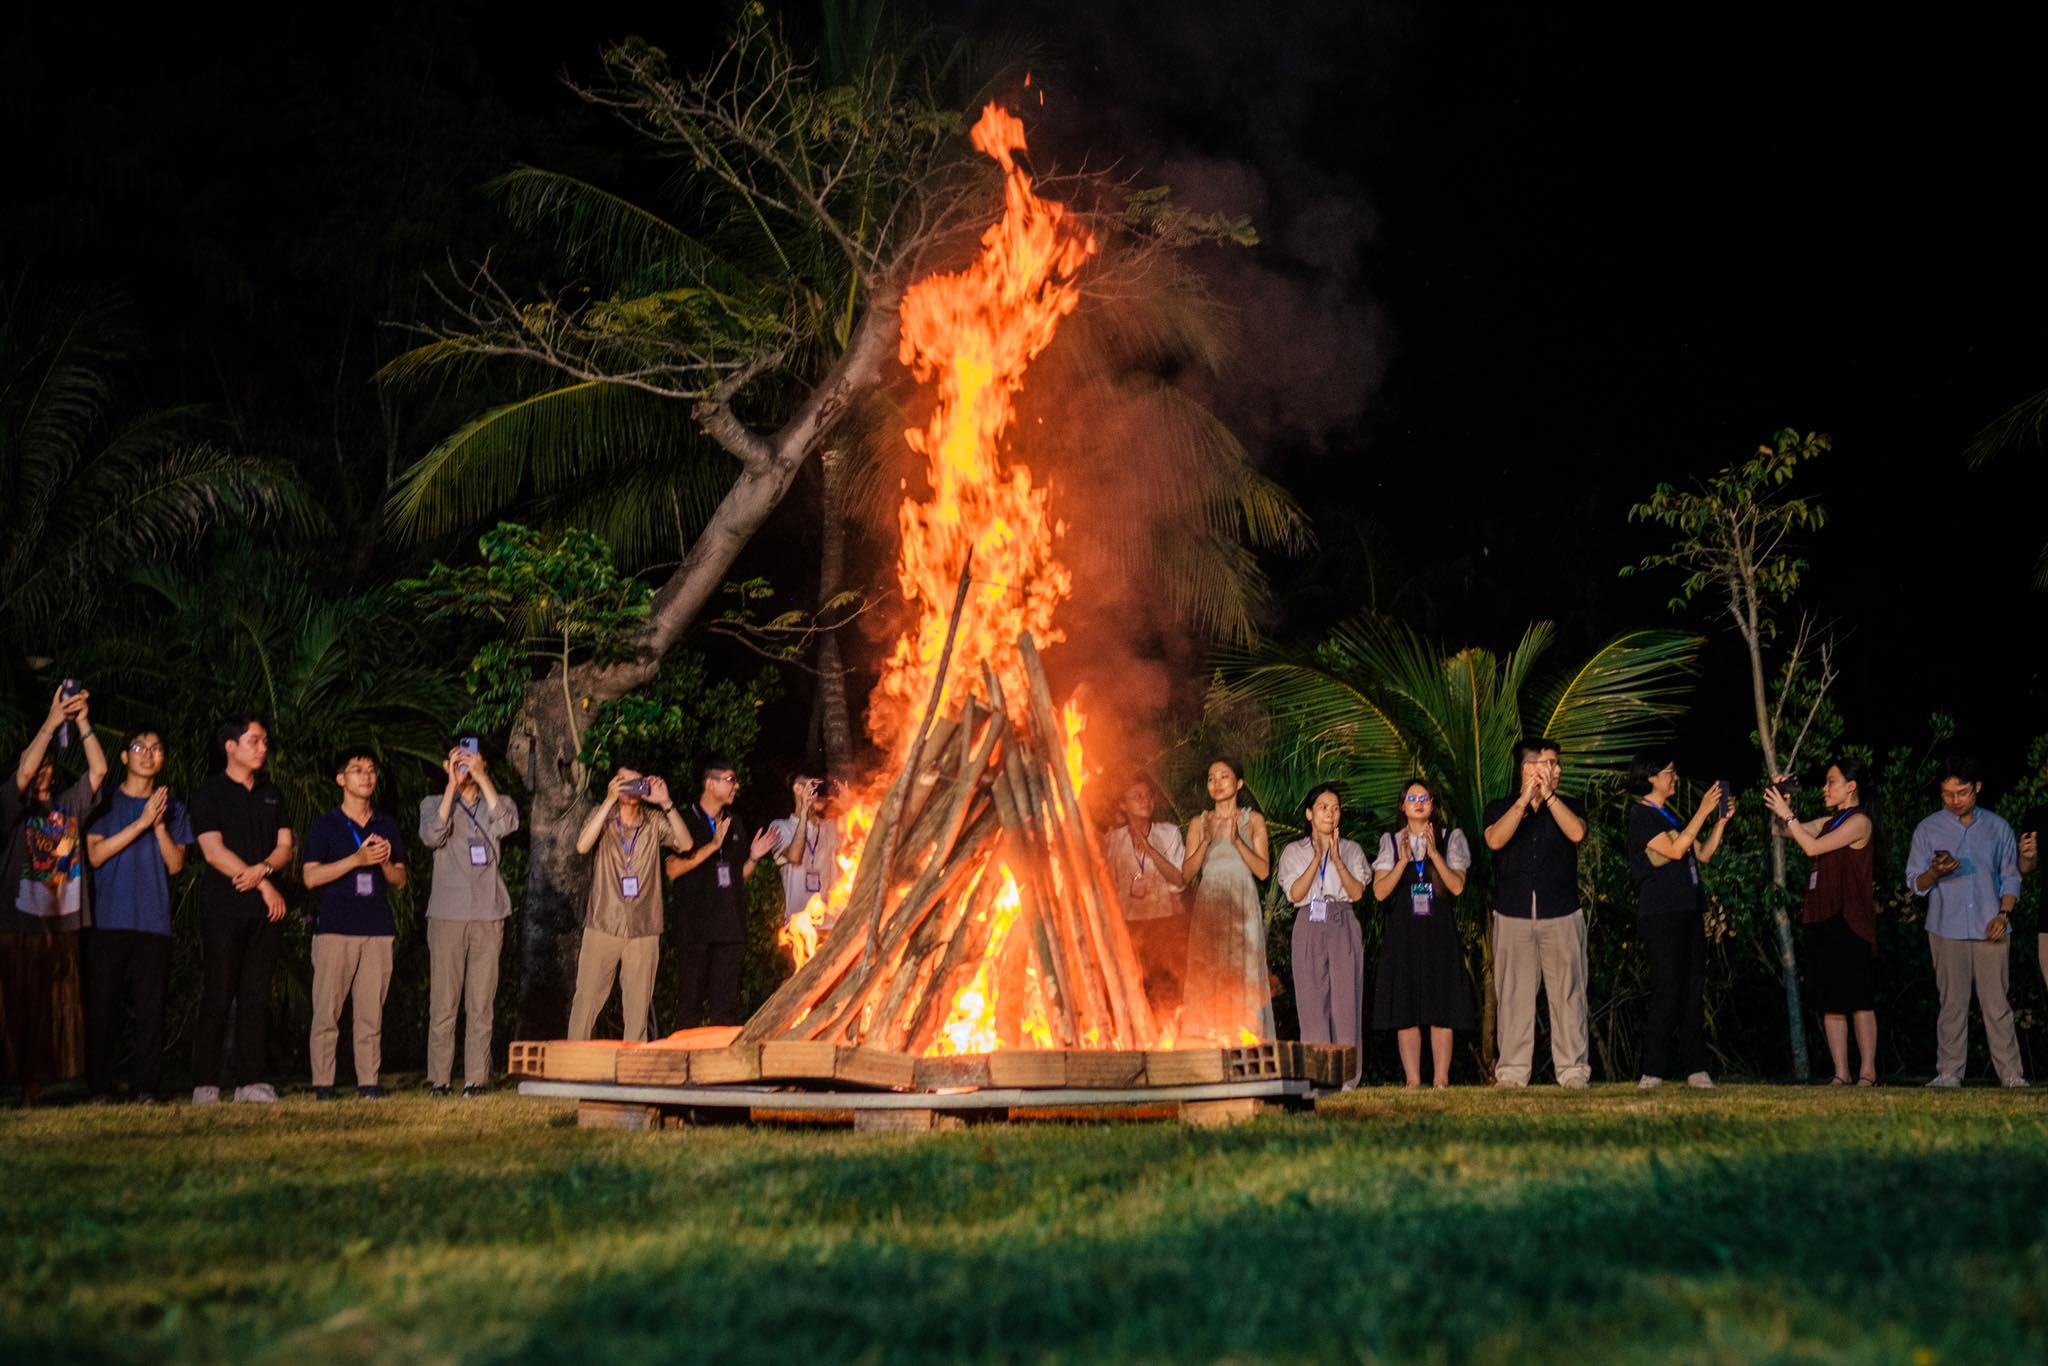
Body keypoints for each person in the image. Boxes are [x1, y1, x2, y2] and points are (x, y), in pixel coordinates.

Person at [2, 684, 107, 1105]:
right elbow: (23, 774)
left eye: (49, 763)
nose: (43, 768)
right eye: (37, 763)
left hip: (61, 925)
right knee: (15, 1007)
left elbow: (99, 771)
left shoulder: (68, 805)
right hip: (17, 926)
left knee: (51, 1009)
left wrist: (82, 721)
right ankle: (16, 1082)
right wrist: (51, 722)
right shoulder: (13, 807)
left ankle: (36, 1085)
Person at [84, 724, 193, 1104]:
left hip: (153, 921)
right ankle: (100, 1086)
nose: (148, 754)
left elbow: (176, 864)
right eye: (139, 747)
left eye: (156, 748)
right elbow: (96, 855)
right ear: (124, 756)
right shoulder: (104, 801)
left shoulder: (173, 807)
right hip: (109, 919)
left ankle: (147, 1086)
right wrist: (141, 822)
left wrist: (158, 825)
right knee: (103, 1006)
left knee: (151, 1008)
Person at [189, 716, 294, 1104]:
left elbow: (285, 847)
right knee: (219, 991)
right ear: (230, 746)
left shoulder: (271, 793)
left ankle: (250, 1081)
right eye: (255, 741)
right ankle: (205, 1082)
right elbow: (212, 852)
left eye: (265, 741)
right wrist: (263, 883)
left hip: (266, 912)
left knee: (255, 994)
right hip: (224, 907)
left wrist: (264, 870)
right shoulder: (210, 793)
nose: (263, 748)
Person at [1904, 756, 2025, 1088]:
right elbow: (1915, 882)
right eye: (1947, 794)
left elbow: (2011, 877)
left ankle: (2011, 1074)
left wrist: (2004, 914)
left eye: (1961, 792)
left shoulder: (1998, 827)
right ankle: (1949, 1072)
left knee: (1997, 1004)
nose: (1954, 800)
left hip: (1991, 926)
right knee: (1952, 1004)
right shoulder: (1928, 828)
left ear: (1977, 788)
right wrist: (1935, 872)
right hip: (1946, 927)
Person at [1482, 737, 1591, 1089]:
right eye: (1549, 763)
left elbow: (1577, 833)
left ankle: (1573, 1071)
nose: (1556, 769)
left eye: (1557, 764)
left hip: (1561, 912)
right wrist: (1524, 801)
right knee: (1514, 997)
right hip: (1513, 914)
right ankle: (1513, 1073)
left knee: (1568, 995)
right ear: (1528, 768)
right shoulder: (1500, 807)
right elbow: (1495, 840)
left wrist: (1550, 798)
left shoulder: (1569, 805)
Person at [301, 748, 409, 1099]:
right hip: (335, 929)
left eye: (371, 770)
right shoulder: (326, 825)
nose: (366, 776)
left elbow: (400, 880)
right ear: (340, 779)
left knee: (370, 1013)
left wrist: (383, 862)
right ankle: (323, 1083)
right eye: (357, 770)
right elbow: (310, 877)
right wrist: (356, 859)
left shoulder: (385, 825)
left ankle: (368, 1082)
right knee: (327, 1012)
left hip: (377, 930)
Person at [1764, 760, 1880, 1085]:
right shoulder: (1829, 821)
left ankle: (1868, 1072)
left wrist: (1788, 814)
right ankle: (1841, 1073)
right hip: (1821, 916)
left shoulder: (1859, 822)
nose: (1825, 789)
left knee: (1858, 998)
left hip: (1850, 920)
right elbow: (1781, 830)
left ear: (1851, 786)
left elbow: (1811, 846)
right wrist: (1781, 802)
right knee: (1831, 1000)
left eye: (1832, 782)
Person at [418, 741, 520, 1097]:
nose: (463, 764)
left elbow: (507, 825)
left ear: (482, 761)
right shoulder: (433, 802)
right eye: (456, 759)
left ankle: (477, 1077)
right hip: (447, 913)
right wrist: (452, 786)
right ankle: (440, 1078)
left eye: (470, 758)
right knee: (443, 1002)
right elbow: (432, 835)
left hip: (489, 912)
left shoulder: (499, 801)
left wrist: (482, 778)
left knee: (481, 1002)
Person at [1626, 752, 1730, 1090]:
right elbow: (1672, 851)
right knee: (1667, 988)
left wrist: (1719, 821)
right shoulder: (1642, 815)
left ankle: (1696, 1069)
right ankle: (1652, 1070)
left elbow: (1702, 853)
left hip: (1689, 908)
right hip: (1661, 912)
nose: (1675, 776)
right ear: (1651, 776)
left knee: (1692, 989)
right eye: (1669, 771)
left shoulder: (1670, 815)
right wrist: (1702, 811)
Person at [567, 765, 690, 1042]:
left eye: (636, 783)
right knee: (587, 999)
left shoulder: (654, 820)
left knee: (638, 1007)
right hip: (603, 922)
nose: (630, 788)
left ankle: (634, 1064)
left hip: (644, 926)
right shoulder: (603, 815)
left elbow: (685, 844)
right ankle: (573, 1060)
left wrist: (666, 802)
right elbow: (582, 846)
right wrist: (609, 800)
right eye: (623, 782)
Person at [1370, 779, 1476, 1088]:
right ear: (1403, 806)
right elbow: (1379, 892)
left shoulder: (1450, 837)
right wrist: (1403, 861)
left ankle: (1441, 1079)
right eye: (1412, 798)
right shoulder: (1391, 841)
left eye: (1424, 798)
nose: (1418, 803)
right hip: (1404, 932)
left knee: (1441, 1004)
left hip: (1439, 931)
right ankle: (1413, 1080)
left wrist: (1434, 854)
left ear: (1433, 804)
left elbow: (1456, 886)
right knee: (1406, 1007)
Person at [665, 757, 777, 1028]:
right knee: (689, 1006)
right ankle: (684, 1054)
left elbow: (737, 879)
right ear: (710, 784)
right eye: (730, 780)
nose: (736, 786)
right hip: (695, 931)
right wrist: (713, 846)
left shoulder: (734, 822)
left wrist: (753, 858)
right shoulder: (684, 820)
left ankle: (722, 1056)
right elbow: (672, 870)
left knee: (725, 1010)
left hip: (730, 931)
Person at [1275, 783, 1367, 1087]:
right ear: (1309, 814)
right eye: (1323, 807)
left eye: (1335, 808)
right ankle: (1318, 1076)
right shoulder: (1294, 851)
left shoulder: (1351, 849)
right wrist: (1317, 858)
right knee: (1311, 1001)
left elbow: (1357, 892)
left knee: (1346, 1001)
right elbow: (1295, 893)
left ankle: (1347, 1078)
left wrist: (1337, 859)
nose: (1330, 813)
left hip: (1342, 919)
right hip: (1309, 921)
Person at [1178, 758, 1274, 1044]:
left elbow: (1263, 871)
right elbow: (1186, 874)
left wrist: (1237, 841)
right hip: (1210, 901)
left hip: (1242, 900)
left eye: (1224, 776)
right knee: (1208, 970)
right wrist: (1205, 841)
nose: (1217, 783)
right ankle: (1207, 1041)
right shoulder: (1199, 822)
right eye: (1211, 778)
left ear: (1239, 783)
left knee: (1243, 970)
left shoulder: (1253, 820)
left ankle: (1243, 1039)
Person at [1102, 775, 1188, 1020]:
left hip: (1164, 924)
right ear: (1123, 804)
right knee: (1133, 990)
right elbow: (1108, 888)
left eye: (1149, 795)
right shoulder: (1113, 841)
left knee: (1167, 994)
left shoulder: (1168, 834)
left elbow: (1179, 880)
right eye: (1137, 796)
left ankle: (1168, 1036)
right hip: (1128, 927)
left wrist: (1150, 850)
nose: (1145, 800)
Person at [768, 773, 841, 927]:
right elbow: (794, 857)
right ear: (797, 789)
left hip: (830, 925)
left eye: (817, 789)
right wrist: (803, 815)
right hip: (798, 928)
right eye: (811, 787)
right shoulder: (780, 827)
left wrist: (848, 803)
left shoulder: (830, 826)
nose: (816, 794)